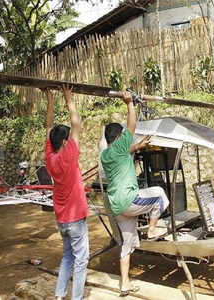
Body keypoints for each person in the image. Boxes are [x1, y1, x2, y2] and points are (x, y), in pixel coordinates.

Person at [100, 91, 169, 297]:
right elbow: (132, 125)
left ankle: (124, 284)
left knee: (127, 245)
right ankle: (152, 230)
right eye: (123, 136)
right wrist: (129, 103)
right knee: (159, 194)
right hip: (129, 200)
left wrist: (137, 147)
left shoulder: (106, 154)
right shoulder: (120, 144)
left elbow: (123, 153)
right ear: (118, 137)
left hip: (117, 207)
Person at [43, 85, 89, 300]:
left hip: (62, 219)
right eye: (67, 137)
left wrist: (51, 98)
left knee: (68, 257)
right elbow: (77, 124)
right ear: (64, 141)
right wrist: (68, 97)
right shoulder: (68, 154)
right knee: (80, 261)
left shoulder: (50, 157)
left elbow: (48, 126)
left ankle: (59, 295)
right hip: (76, 219)